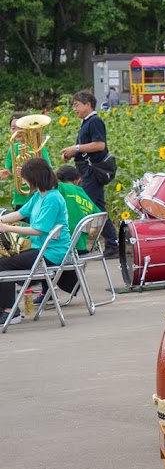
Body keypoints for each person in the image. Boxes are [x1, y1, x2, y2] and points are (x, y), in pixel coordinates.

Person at [0, 159, 73, 317]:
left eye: (25, 177)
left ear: (34, 177)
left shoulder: (51, 198)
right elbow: (20, 213)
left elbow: (39, 230)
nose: (24, 181)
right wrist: (1, 219)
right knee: (5, 261)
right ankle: (6, 308)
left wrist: (6, 228)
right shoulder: (40, 195)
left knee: (3, 265)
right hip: (42, 249)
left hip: (52, 253)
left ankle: (9, 311)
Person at [60, 91, 118, 257]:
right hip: (86, 170)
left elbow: (100, 145)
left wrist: (76, 148)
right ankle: (112, 244)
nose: (74, 109)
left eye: (76, 105)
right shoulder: (87, 122)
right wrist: (72, 152)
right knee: (97, 208)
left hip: (91, 172)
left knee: (84, 205)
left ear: (87, 104)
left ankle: (82, 246)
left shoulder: (94, 121)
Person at [1, 112, 54, 211]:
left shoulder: (39, 148)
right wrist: (6, 174)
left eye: (20, 128)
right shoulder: (12, 148)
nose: (17, 131)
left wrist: (27, 172)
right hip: (20, 198)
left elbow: (48, 170)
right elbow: (11, 172)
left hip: (38, 196)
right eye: (13, 128)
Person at [55, 165, 101, 251]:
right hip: (81, 248)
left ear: (57, 178)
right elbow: (99, 216)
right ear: (78, 180)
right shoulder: (82, 193)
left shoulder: (60, 187)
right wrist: (90, 230)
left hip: (63, 247)